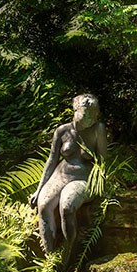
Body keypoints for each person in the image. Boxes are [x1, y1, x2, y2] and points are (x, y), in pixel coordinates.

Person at [30, 94, 109, 254]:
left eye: (94, 113)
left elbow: (103, 160)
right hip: (60, 175)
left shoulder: (98, 130)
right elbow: (51, 161)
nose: (91, 118)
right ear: (76, 110)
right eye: (87, 113)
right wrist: (39, 189)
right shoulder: (62, 131)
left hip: (82, 178)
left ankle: (68, 252)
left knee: (66, 206)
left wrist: (103, 184)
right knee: (44, 205)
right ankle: (50, 255)